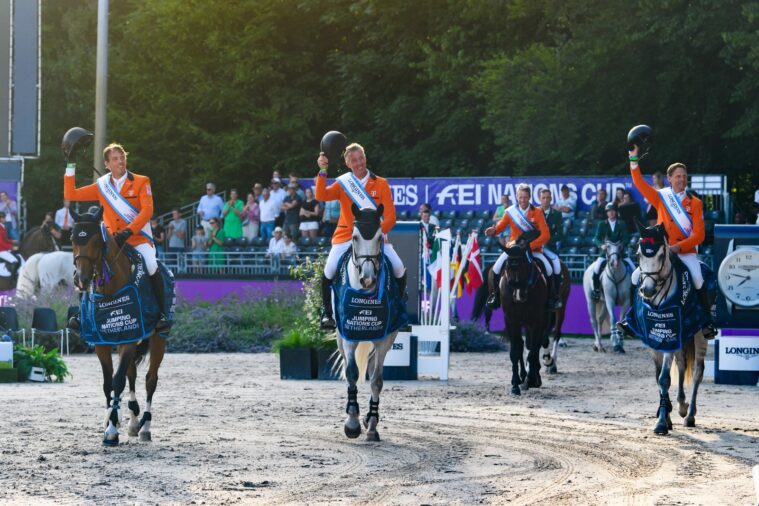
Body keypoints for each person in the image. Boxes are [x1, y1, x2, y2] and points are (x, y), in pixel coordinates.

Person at [64, 143, 171, 332]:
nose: (120, 161)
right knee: (88, 266)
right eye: (115, 159)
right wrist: (71, 164)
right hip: (112, 240)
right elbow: (70, 194)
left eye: (122, 157)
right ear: (107, 164)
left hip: (137, 239)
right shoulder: (102, 185)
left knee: (152, 265)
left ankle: (163, 315)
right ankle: (82, 316)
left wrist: (129, 231)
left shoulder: (141, 181)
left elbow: (148, 210)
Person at [624, 144, 715, 338]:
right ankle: (631, 320)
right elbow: (639, 183)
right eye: (678, 176)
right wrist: (633, 159)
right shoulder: (660, 197)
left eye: (684, 175)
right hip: (661, 252)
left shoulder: (695, 203)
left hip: (685, 252)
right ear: (670, 179)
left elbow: (699, 236)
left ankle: (707, 321)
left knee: (698, 280)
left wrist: (678, 247)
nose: (682, 179)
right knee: (634, 277)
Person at [316, 143, 406, 329]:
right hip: (346, 235)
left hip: (374, 237)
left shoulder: (381, 183)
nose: (359, 163)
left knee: (398, 268)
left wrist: (379, 233)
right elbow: (321, 195)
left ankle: (398, 309)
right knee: (329, 270)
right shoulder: (343, 183)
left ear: (365, 157)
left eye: (361, 158)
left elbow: (391, 217)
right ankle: (327, 314)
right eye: (354, 161)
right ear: (348, 164)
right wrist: (323, 170)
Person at [484, 183, 562, 310]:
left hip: (533, 249)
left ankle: (553, 297)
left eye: (525, 197)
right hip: (514, 249)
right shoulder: (510, 212)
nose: (523, 200)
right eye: (520, 197)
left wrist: (529, 246)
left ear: (529, 197)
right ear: (516, 197)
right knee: (496, 268)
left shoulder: (537, 212)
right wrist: (493, 231)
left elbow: (546, 235)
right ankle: (495, 296)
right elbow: (500, 227)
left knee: (548, 269)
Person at [590, 203, 635, 300]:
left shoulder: (621, 223)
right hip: (606, 252)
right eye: (609, 211)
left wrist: (623, 244)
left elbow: (626, 237)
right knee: (596, 268)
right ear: (607, 213)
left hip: (620, 252)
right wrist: (601, 245)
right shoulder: (602, 224)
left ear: (616, 212)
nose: (611, 213)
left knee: (633, 267)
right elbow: (596, 238)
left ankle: (634, 290)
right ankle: (596, 290)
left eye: (613, 211)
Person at [0, 211, 19, 279]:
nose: (5, 219)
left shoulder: (3, 227)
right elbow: (1, 242)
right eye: (4, 218)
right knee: (15, 261)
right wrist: (11, 247)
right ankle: (12, 280)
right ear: (1, 219)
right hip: (1, 250)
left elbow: (5, 239)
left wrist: (13, 241)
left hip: (4, 248)